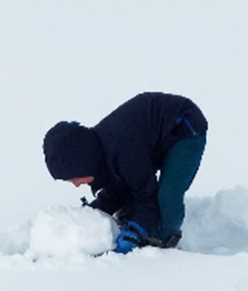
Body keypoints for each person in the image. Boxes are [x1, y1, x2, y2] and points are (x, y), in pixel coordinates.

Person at [43, 92, 207, 253]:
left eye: (75, 178)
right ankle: (142, 223)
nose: (77, 185)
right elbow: (117, 190)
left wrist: (136, 231)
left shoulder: (123, 153)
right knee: (131, 192)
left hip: (184, 128)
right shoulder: (102, 152)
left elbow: (148, 194)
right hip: (150, 140)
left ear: (85, 163)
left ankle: (166, 238)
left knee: (168, 195)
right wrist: (95, 213)